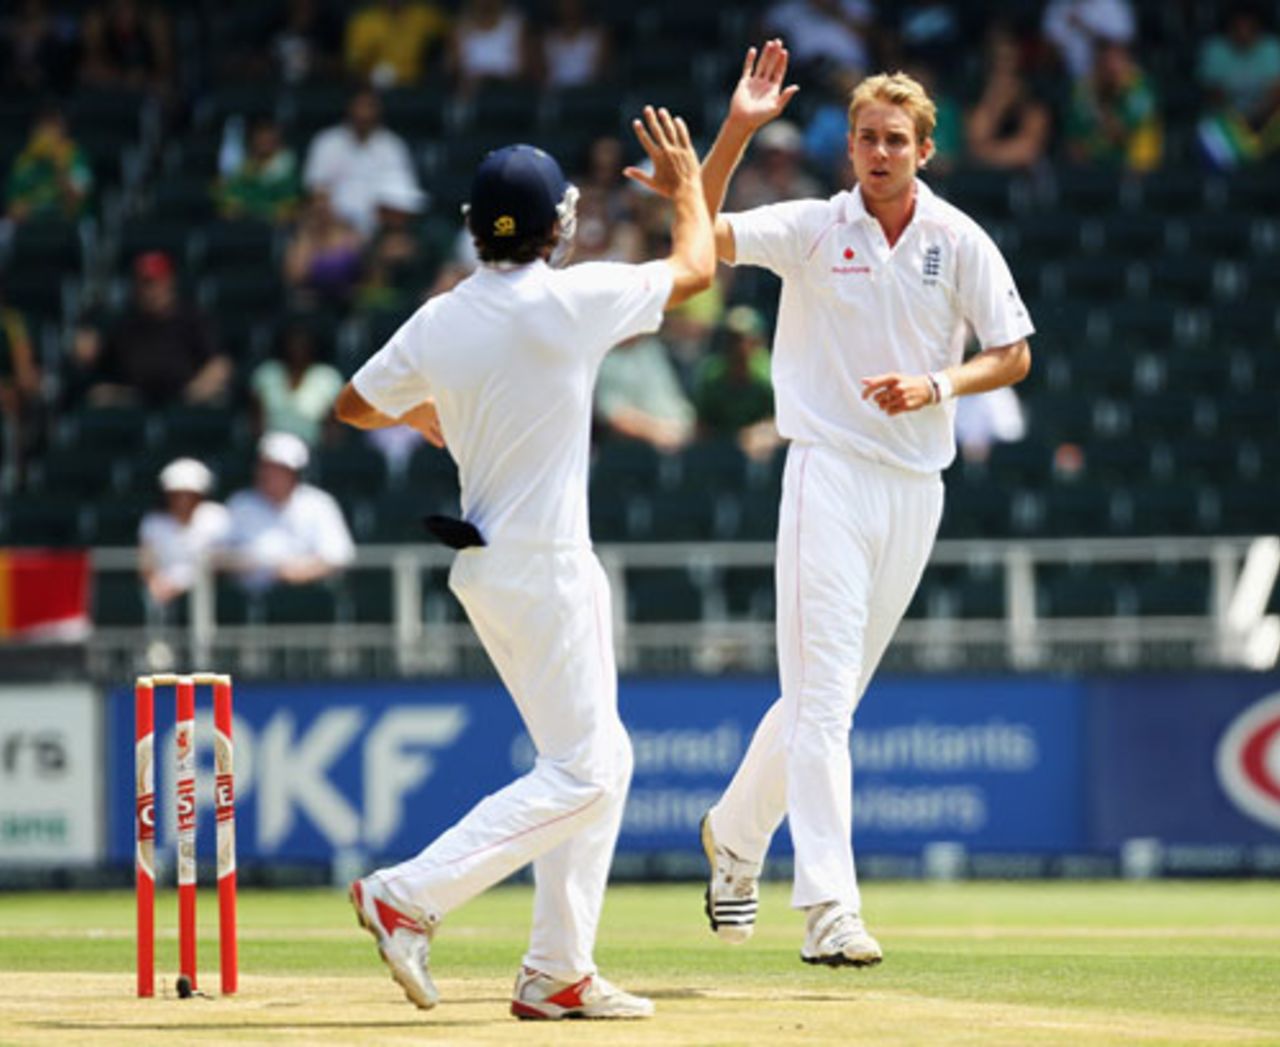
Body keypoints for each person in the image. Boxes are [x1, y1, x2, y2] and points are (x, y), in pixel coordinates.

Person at [332, 104, 714, 1019]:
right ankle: (407, 895)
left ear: (474, 227)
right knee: (588, 772)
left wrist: (423, 413)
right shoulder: (570, 301)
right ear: (559, 226)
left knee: (595, 758)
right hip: (545, 566)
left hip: (490, 569)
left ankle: (557, 970)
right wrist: (689, 188)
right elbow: (697, 269)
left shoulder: (439, 319)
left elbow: (351, 405)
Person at [691, 44, 1033, 965]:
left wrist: (937, 384)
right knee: (824, 708)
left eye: (895, 140)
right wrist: (738, 129)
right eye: (866, 138)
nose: (879, 152)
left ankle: (733, 833)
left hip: (916, 487)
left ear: (925, 149)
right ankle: (830, 909)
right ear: (848, 148)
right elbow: (701, 228)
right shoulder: (814, 227)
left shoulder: (957, 238)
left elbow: (1013, 352)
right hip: (828, 473)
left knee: (823, 697)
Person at [79, 251, 231, 407]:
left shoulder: (192, 318)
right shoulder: (125, 322)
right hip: (134, 400)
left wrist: (189, 395)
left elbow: (220, 364)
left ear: (169, 282)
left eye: (154, 282)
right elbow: (98, 358)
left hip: (185, 399)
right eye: (144, 283)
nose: (150, 290)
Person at [224, 431, 355, 592]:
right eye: (265, 466)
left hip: (305, 595)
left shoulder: (319, 503)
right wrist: (246, 564)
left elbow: (339, 556)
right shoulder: (239, 503)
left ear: (295, 473)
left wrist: (297, 573)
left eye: (278, 469)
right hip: (248, 597)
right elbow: (217, 554)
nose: (268, 474)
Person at [302, 87, 420, 237]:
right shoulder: (327, 142)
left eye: (369, 106)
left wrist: (380, 226)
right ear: (349, 108)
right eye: (359, 106)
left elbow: (402, 197)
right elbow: (317, 193)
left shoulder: (393, 146)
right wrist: (338, 224)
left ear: (379, 111)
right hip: (334, 226)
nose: (363, 113)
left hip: (381, 229)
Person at [137, 457, 230, 610]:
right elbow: (146, 563)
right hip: (163, 594)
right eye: (176, 494)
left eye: (189, 494)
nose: (182, 500)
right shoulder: (153, 522)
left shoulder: (216, 517)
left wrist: (182, 584)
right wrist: (155, 584)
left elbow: (220, 563)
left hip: (209, 595)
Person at [1196, 3, 1280, 169]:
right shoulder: (1215, 50)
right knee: (1210, 130)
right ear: (1230, 29)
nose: (1243, 32)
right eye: (1238, 27)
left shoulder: (1272, 48)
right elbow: (1214, 95)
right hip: (1228, 121)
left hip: (1263, 119)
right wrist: (1239, 120)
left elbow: (1276, 93)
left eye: (1248, 27)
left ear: (1257, 28)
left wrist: (1255, 116)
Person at [694, 304, 779, 460]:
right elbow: (702, 425)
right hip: (722, 452)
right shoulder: (713, 374)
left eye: (744, 340)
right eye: (732, 340)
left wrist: (765, 431)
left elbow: (787, 421)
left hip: (763, 456)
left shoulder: (772, 375)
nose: (737, 347)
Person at [1063, 39, 1162, 172]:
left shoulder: (1140, 86)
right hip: (1094, 164)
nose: (1111, 68)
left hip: (1137, 166)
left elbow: (1119, 133)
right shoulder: (1084, 88)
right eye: (1104, 62)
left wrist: (1099, 103)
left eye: (1116, 61)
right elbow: (1073, 135)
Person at [594, 332, 696, 453]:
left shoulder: (652, 347)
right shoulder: (605, 360)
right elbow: (615, 415)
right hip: (636, 450)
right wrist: (659, 431)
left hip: (682, 439)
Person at [249, 322, 344, 446]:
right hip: (271, 448)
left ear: (313, 346)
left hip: (312, 448)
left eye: (303, 344)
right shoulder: (267, 373)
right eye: (293, 343)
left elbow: (333, 426)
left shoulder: (327, 377)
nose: (297, 348)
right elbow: (256, 421)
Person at [4, 104, 93, 224]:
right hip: (32, 223)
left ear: (63, 128)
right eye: (43, 126)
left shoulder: (75, 155)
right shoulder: (24, 160)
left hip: (70, 222)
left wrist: (58, 164)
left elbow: (79, 199)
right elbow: (13, 208)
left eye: (53, 126)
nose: (47, 132)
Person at [216, 115, 302, 225]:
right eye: (260, 136)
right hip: (244, 225)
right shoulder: (244, 167)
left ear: (277, 139)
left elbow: (288, 208)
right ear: (253, 139)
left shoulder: (288, 167)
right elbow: (230, 203)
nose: (264, 141)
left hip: (276, 227)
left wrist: (254, 209)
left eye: (268, 136)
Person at [344, 0, 450, 88]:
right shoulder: (365, 22)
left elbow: (451, 29)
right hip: (377, 89)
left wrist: (448, 58)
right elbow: (353, 65)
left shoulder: (423, 15)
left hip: (415, 86)